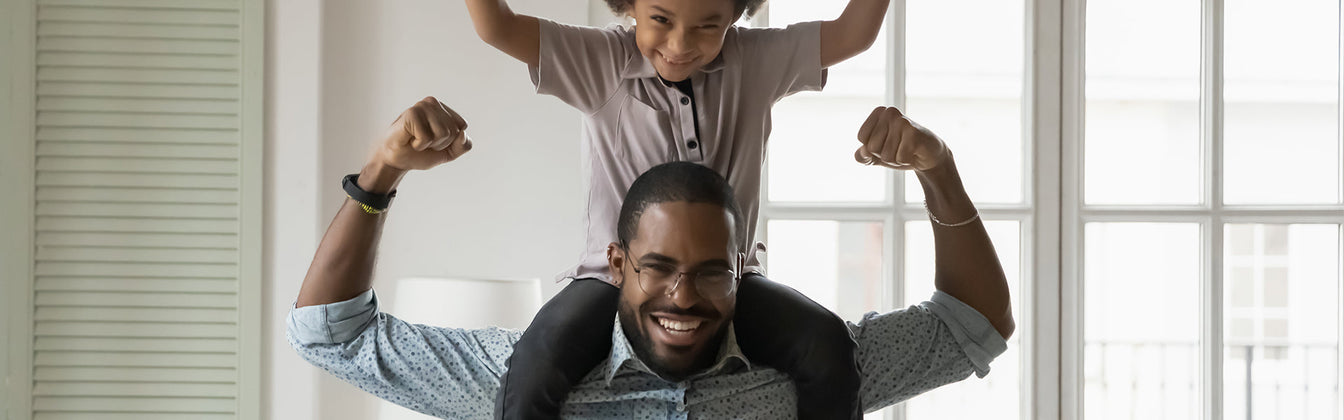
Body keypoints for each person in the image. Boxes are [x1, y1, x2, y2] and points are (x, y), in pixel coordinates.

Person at [288, 97, 1015, 419]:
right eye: (659, 267)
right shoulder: (526, 381)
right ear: (616, 264)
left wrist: (937, 167)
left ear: (743, 272)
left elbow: (975, 324)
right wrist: (381, 174)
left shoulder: (808, 374)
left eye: (709, 272)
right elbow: (332, 335)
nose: (683, 297)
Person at [461, 0, 893, 416]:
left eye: (708, 25)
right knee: (534, 364)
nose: (681, 43)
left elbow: (852, 33)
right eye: (661, 19)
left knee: (829, 345)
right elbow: (496, 26)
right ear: (629, 5)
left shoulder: (758, 61)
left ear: (736, 13)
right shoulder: (599, 62)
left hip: (730, 281)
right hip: (610, 283)